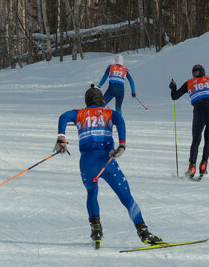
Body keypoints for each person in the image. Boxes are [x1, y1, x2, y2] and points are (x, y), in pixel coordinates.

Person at [54, 85, 163, 246]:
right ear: (102, 101)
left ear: (86, 101)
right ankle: (143, 231)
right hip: (107, 161)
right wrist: (122, 144)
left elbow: (63, 116)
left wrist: (61, 138)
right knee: (126, 197)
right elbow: (120, 120)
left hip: (87, 163)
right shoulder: (108, 113)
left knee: (92, 193)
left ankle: (96, 230)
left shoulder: (80, 113)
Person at [170, 64, 209, 180]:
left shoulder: (190, 82)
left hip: (199, 109)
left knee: (196, 139)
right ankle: (203, 165)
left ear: (193, 73)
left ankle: (192, 167)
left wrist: (173, 87)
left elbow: (174, 96)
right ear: (204, 71)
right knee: (208, 137)